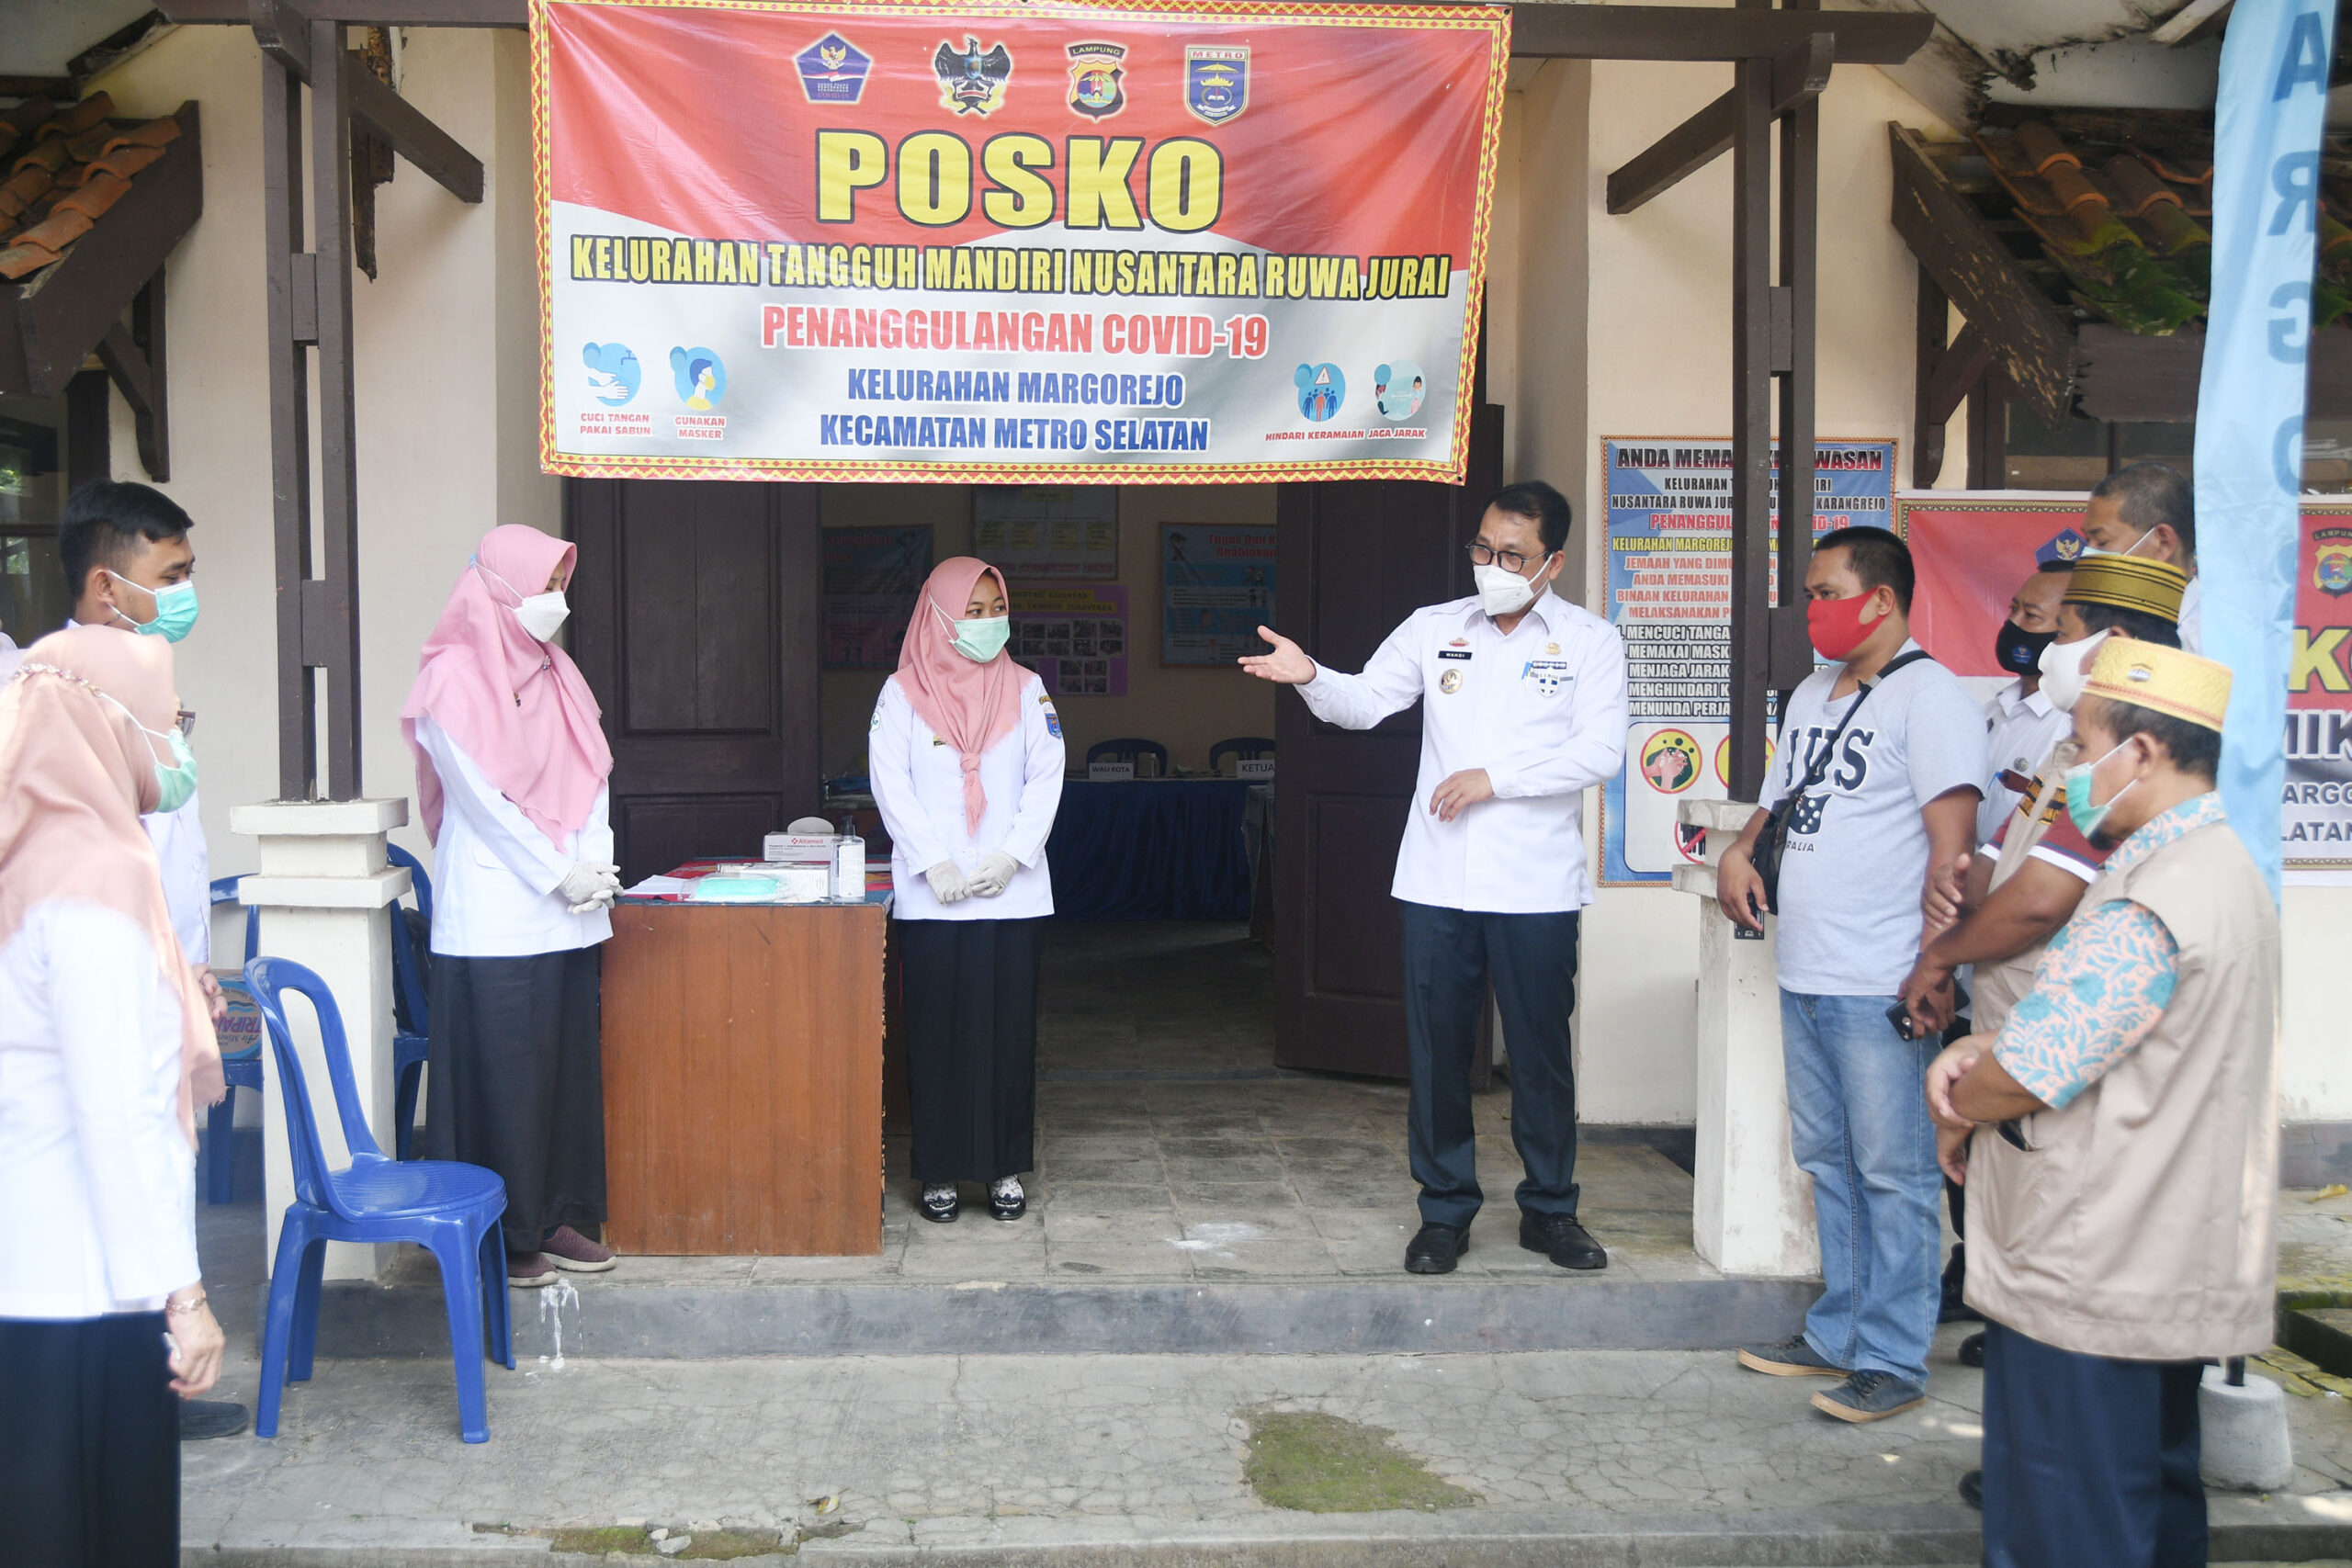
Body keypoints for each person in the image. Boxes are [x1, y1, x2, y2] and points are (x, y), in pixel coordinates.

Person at [1928, 639, 2272, 1566]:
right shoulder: (2223, 868)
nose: (2073, 771)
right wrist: (1983, 1050)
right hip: (2165, 1254)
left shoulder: (2149, 900)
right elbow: (2129, 1035)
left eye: (2083, 748)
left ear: (2143, 754)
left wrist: (1963, 1091)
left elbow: (2030, 1071)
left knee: (2066, 1523)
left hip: (2092, 1269)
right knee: (2153, 1503)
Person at [1240, 480, 1628, 1276]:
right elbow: (1362, 704)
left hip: (1535, 886)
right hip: (1437, 881)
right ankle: (1444, 1210)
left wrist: (1496, 778)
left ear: (1552, 562)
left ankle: (1551, 1210)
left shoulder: (1591, 641)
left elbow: (1600, 752)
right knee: (1439, 1054)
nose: (1492, 565)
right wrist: (1310, 673)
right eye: (1483, 548)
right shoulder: (1435, 626)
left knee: (1540, 1054)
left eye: (1512, 555)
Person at [1713, 526, 1984, 1423]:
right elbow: (1780, 803)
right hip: (1806, 969)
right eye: (1809, 592)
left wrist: (1934, 966)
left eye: (1826, 592)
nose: (1811, 609)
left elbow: (1954, 854)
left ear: (1881, 600)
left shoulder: (1932, 698)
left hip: (1883, 978)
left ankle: (1893, 1357)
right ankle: (1839, 1333)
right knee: (1830, 1161)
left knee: (1893, 1172)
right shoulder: (1810, 694)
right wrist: (1740, 851)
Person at [0, 627, 226, 1565]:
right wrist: (185, 1295)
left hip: (38, 1267)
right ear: (107, 727)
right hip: (91, 1291)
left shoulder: (26, 853)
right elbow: (118, 1113)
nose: (174, 748)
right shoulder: (93, 877)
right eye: (165, 724)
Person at [56, 479, 247, 1441]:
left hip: (163, 984)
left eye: (188, 574)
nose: (184, 595)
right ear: (106, 586)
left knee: (157, 1185)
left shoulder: (141, 681)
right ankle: (121, 1402)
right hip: (107, 994)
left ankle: (148, 1393)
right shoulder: (59, 703)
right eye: (168, 576)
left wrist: (190, 967)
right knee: (112, 1194)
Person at [403, 525, 619, 1288]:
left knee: (560, 1068)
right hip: (496, 912)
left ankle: (555, 1215)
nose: (555, 600)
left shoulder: (558, 673)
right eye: (543, 584)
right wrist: (561, 872)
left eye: (561, 585)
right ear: (498, 586)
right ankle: (502, 1231)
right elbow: (482, 802)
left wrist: (593, 860)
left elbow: (593, 771)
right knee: (504, 1075)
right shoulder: (450, 681)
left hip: (566, 911)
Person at [869, 557, 1065, 1224]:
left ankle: (1004, 1166)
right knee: (938, 1034)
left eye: (996, 609)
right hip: (935, 900)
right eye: (972, 611)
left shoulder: (1029, 689)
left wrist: (1011, 856)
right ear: (939, 616)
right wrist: (932, 862)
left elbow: (1047, 775)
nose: (988, 622)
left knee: (1007, 1035)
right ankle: (941, 1170)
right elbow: (890, 782)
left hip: (1012, 897)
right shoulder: (901, 693)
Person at [1976, 561, 2074, 848]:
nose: (2013, 623)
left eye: (2031, 616)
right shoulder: (1990, 711)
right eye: (2013, 609)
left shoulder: (2072, 728)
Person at [2080, 461, 2198, 651]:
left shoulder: (2208, 642)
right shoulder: (2088, 625)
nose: (2086, 557)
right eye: (2087, 540)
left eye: (2101, 542)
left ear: (2162, 543)